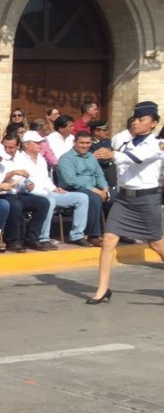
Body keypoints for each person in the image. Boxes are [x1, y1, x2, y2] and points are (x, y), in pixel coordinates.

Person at [88, 101, 164, 304]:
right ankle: (102, 289)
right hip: (124, 200)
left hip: (146, 199)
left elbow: (136, 158)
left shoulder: (157, 144)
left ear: (153, 123)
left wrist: (112, 154)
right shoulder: (126, 142)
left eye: (142, 119)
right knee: (109, 240)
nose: (136, 122)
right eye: (135, 119)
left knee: (156, 244)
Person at [11, 131, 89, 248]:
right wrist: (28, 186)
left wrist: (54, 188)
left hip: (47, 192)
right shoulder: (18, 159)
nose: (40, 145)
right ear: (26, 144)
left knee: (82, 198)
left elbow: (46, 179)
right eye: (37, 142)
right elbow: (18, 180)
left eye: (41, 142)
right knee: (49, 201)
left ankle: (77, 235)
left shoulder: (41, 159)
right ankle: (43, 238)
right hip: (31, 193)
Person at [0, 141, 51, 253]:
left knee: (43, 202)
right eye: (5, 147)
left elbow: (21, 181)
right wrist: (12, 173)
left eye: (11, 147)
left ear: (17, 147)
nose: (8, 150)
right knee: (15, 205)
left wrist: (27, 184)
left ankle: (32, 238)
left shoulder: (16, 160)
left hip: (16, 193)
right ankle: (13, 241)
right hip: (1, 194)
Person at [57, 131, 108, 246]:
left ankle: (117, 233)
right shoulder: (66, 158)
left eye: (87, 143)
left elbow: (99, 175)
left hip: (94, 188)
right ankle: (93, 235)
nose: (85, 146)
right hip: (73, 189)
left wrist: (105, 188)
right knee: (94, 198)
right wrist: (95, 190)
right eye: (81, 143)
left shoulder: (91, 157)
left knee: (118, 197)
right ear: (74, 142)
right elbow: (71, 180)